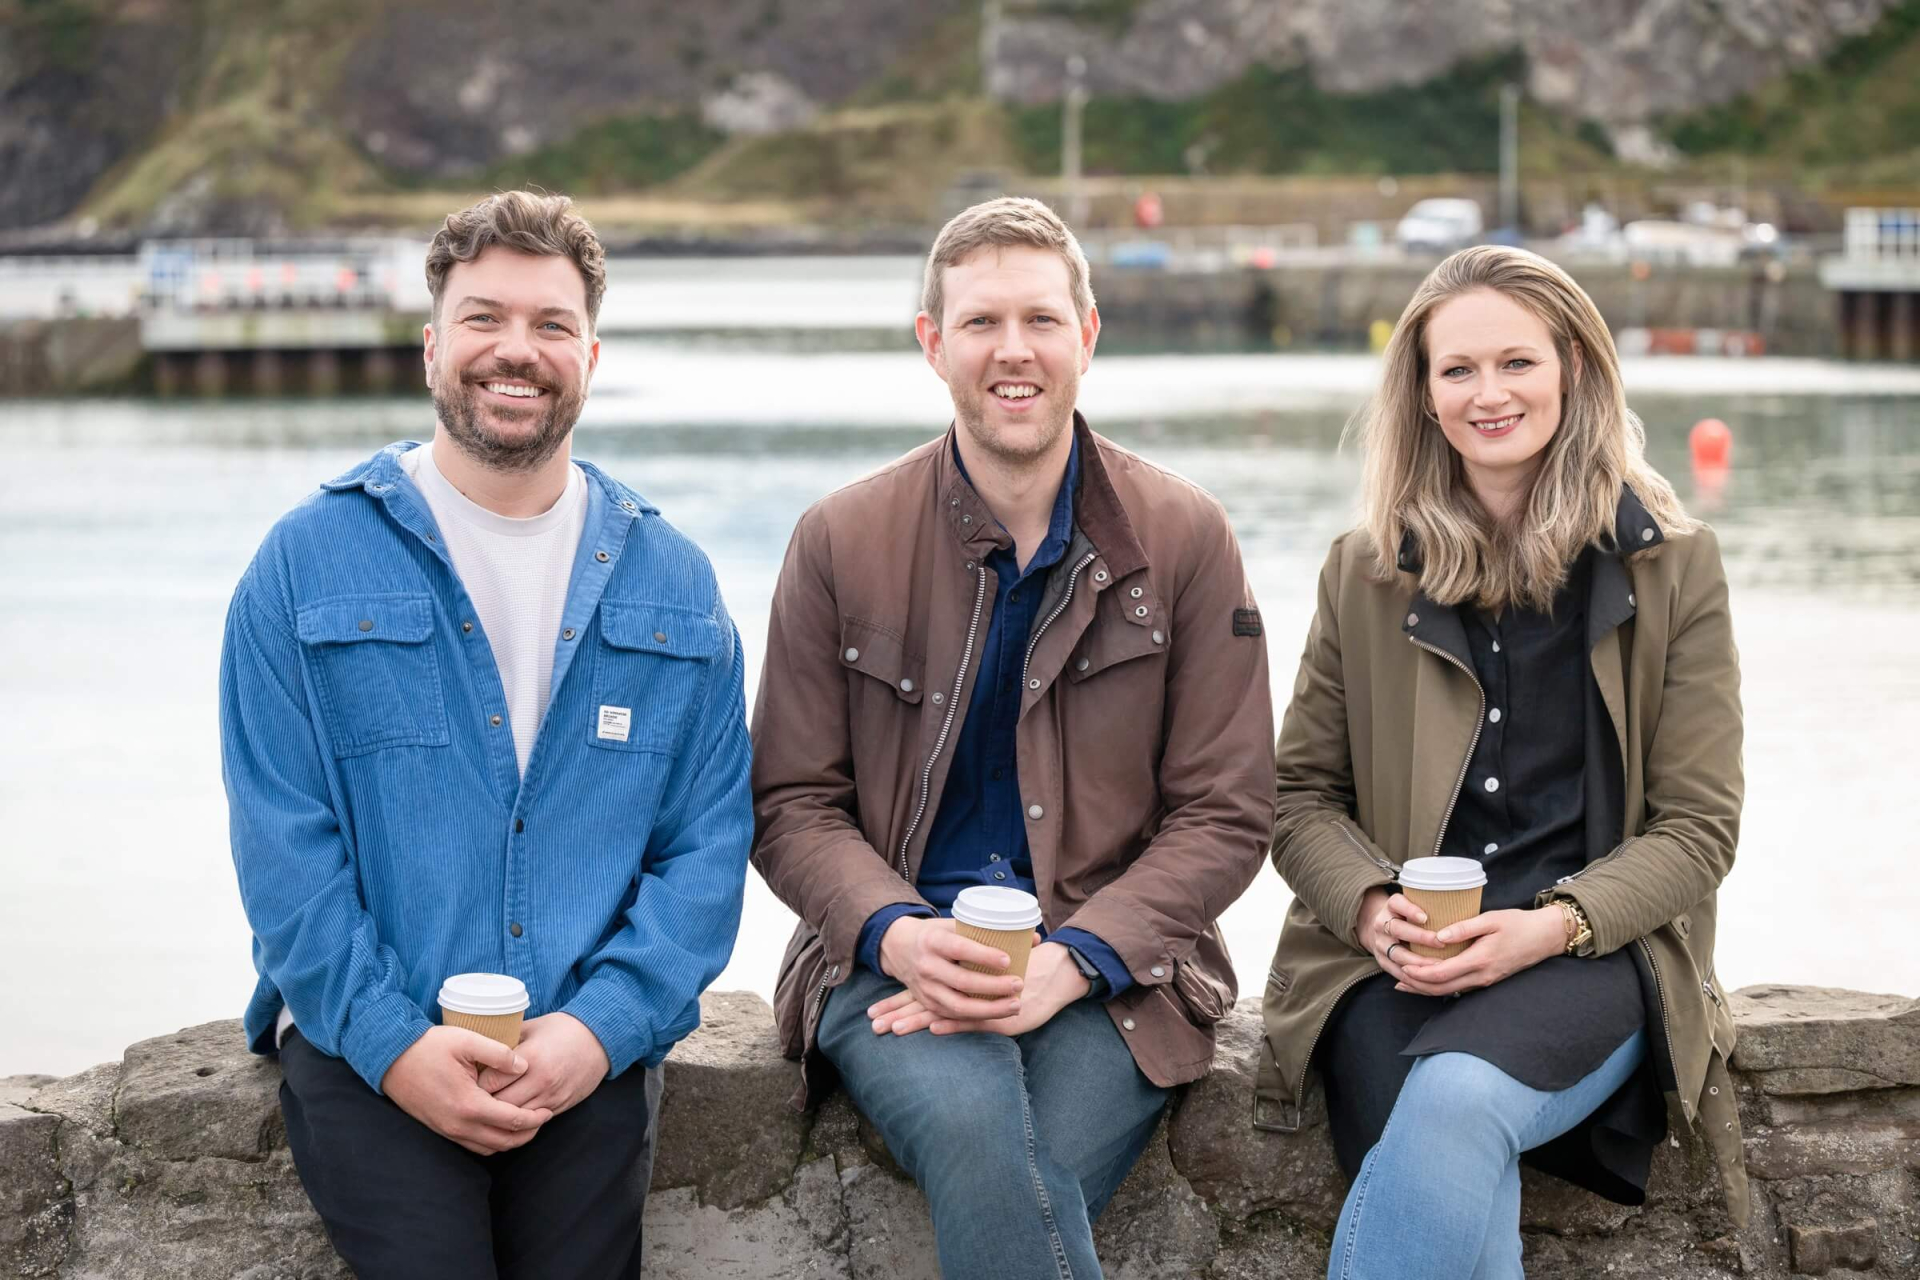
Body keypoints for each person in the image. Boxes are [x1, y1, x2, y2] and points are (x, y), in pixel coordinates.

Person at [219, 191, 753, 1279]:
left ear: (590, 354)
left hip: (580, 1050)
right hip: (364, 1037)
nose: (518, 350)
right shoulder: (302, 563)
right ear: (431, 347)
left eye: (552, 325)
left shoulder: (678, 588)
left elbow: (704, 854)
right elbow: (284, 846)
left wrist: (598, 1030)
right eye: (484, 318)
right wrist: (395, 1045)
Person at [750, 196, 1274, 1279]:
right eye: (981, 322)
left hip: (1120, 967)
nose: (1013, 351)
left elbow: (1227, 811)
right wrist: (895, 929)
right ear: (932, 343)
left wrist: (1072, 961)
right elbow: (790, 799)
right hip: (885, 956)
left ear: (1087, 333)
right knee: (989, 1133)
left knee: (1013, 1165)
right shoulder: (838, 538)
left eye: (1041, 319)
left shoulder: (1185, 535)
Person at [1254, 245, 1747, 1278]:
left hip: (1590, 951)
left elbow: (1700, 829)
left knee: (1456, 1099)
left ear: (1573, 367)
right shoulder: (1364, 570)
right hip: (1391, 963)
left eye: (1516, 362)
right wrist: (1365, 900)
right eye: (1458, 369)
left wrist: (1553, 924)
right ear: (1424, 395)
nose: (1490, 394)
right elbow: (1298, 795)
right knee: (1458, 1207)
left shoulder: (1673, 567)